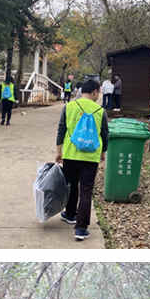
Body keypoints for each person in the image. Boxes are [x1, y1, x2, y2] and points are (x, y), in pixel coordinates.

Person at [55, 77, 108, 241]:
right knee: (86, 190)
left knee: (71, 185)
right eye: (98, 92)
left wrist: (59, 151)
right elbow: (105, 134)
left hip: (70, 154)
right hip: (91, 157)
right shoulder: (100, 111)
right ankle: (81, 228)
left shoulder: (69, 107)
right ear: (94, 92)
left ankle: (70, 214)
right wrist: (103, 152)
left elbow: (61, 129)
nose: (98, 95)